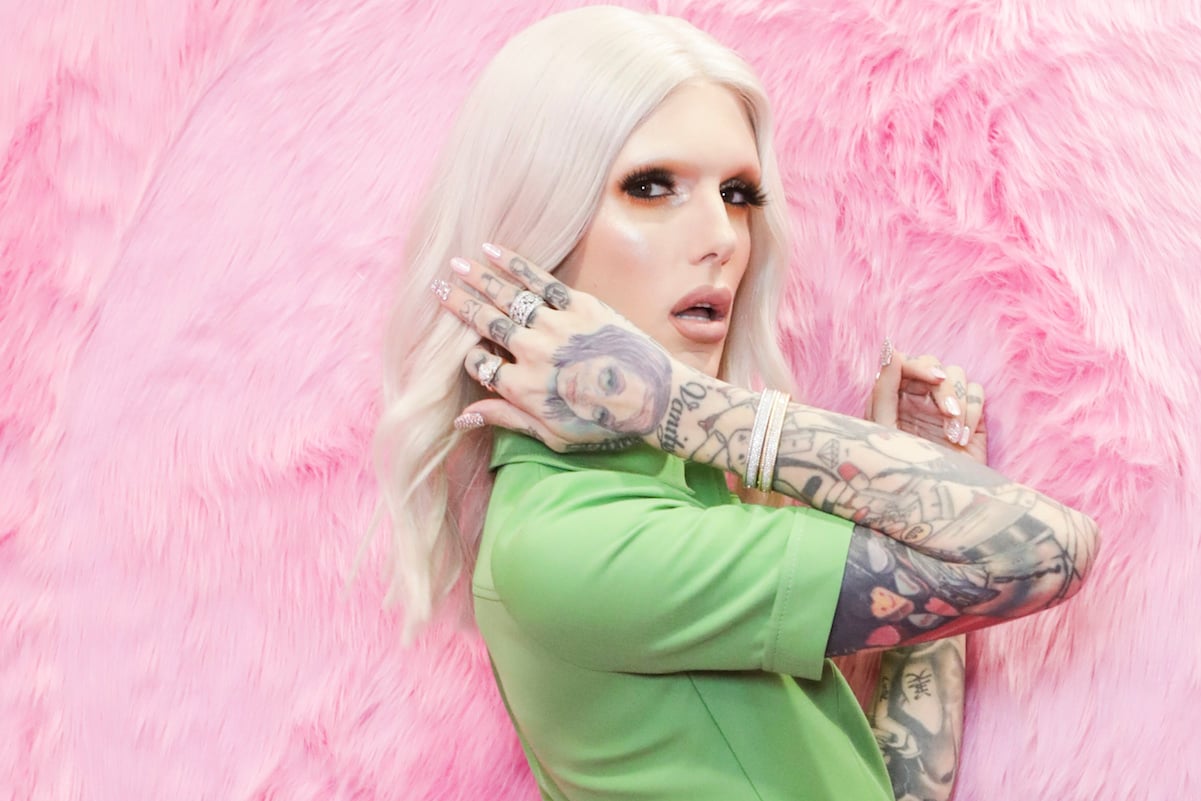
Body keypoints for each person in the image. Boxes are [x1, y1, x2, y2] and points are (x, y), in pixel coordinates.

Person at [374, 7, 1100, 800]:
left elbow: (885, 788)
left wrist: (928, 472)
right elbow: (1045, 549)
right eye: (651, 187)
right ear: (536, 229)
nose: (721, 236)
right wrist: (672, 403)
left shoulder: (672, 486)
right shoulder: (576, 541)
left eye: (737, 193)